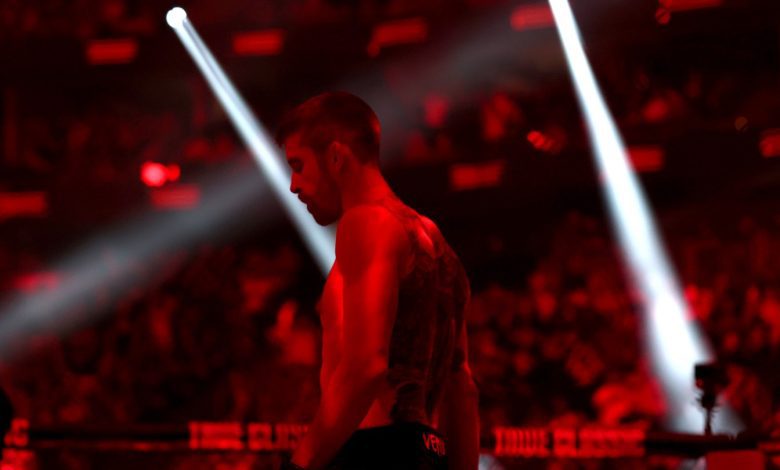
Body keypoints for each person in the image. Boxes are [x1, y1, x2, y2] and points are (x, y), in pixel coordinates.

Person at [275, 91, 479, 470]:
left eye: (298, 165)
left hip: (372, 451)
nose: (293, 185)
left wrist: (300, 464)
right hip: (428, 452)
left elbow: (366, 366)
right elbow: (462, 389)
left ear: (336, 157)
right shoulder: (438, 246)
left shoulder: (365, 223)